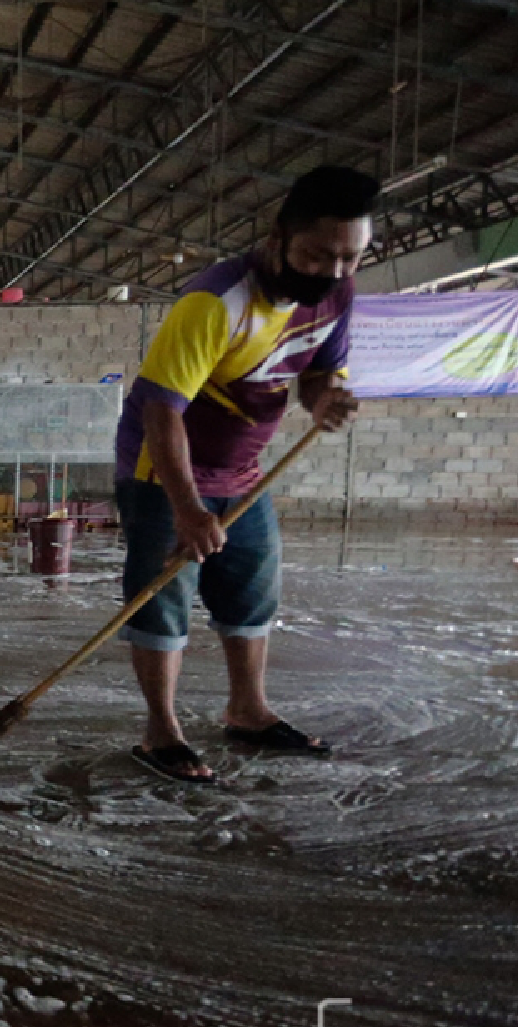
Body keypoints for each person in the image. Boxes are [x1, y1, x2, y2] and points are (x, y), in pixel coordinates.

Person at [115, 165, 370, 786]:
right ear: (279, 236)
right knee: (163, 598)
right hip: (163, 471)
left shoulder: (337, 294)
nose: (334, 272)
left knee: (252, 589)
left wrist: (323, 400)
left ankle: (248, 711)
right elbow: (161, 408)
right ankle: (161, 733)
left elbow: (318, 370)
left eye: (351, 257)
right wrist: (187, 508)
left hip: (245, 473)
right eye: (317, 255)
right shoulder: (216, 301)